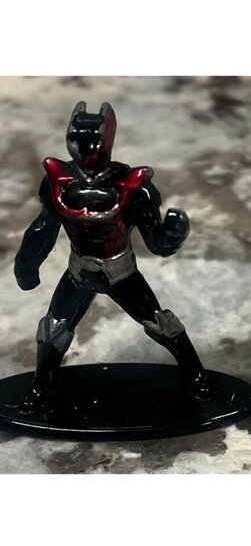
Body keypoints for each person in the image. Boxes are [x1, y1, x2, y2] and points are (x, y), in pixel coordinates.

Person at [14, 102, 213, 412]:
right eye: (77, 138)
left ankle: (196, 375)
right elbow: (44, 228)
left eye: (92, 139)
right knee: (53, 329)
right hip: (80, 271)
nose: (84, 147)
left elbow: (156, 241)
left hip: (121, 272)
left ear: (107, 138)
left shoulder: (133, 187)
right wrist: (26, 266)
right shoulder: (58, 181)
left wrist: (174, 233)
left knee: (161, 323)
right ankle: (43, 384)